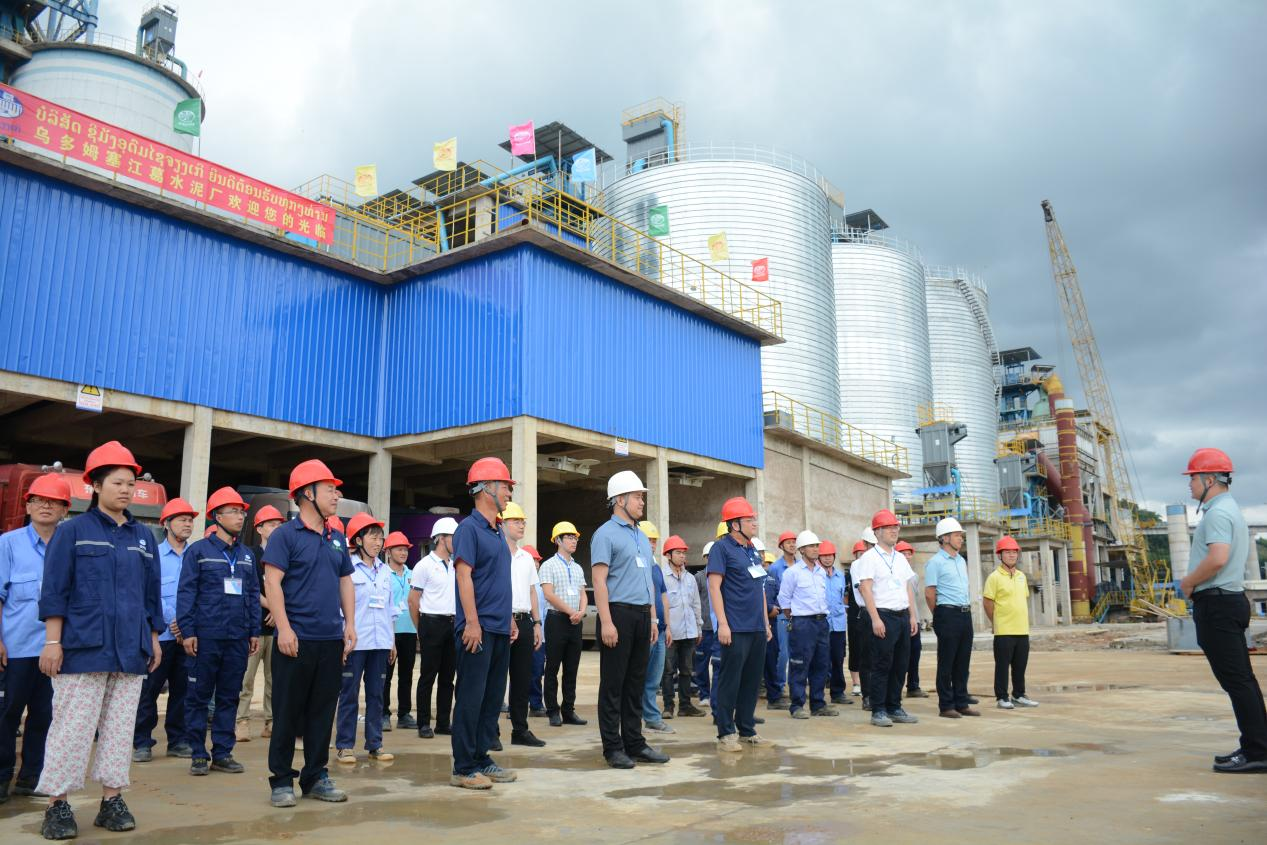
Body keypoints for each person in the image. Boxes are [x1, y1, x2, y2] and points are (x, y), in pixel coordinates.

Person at [36, 441, 163, 838]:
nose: (126, 490)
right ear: (95, 485)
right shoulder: (72, 532)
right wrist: (52, 642)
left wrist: (153, 638)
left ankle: (112, 799)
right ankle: (58, 804)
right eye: (117, 483)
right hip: (83, 648)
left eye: (130, 484)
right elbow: (55, 590)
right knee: (71, 728)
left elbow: (151, 595)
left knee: (119, 730)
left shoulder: (143, 537)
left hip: (130, 649)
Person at [263, 459, 357, 808]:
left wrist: (350, 624)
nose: (337, 495)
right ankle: (281, 780)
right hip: (296, 640)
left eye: (336, 490)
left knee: (322, 712)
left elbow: (345, 581)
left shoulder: (337, 537)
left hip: (330, 640)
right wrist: (284, 628)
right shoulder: (285, 536)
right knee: (287, 712)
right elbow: (272, 583)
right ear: (307, 494)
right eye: (329, 489)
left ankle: (316, 776)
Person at [1176, 448, 1266, 774]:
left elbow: (1217, 558)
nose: (1189, 485)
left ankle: (1258, 752)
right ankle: (1255, 746)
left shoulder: (1217, 514)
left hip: (1218, 603)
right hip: (1227, 601)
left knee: (1238, 682)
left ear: (1210, 479)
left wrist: (1188, 582)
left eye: (1193, 478)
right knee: (1241, 680)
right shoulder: (1229, 509)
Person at [177, 487, 261, 777]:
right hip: (206, 636)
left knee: (229, 696)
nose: (240, 517)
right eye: (233, 511)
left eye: (242, 512)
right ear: (217, 516)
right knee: (198, 697)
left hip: (237, 637)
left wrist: (253, 631)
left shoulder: (246, 555)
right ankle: (198, 754)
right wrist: (188, 631)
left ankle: (223, 753)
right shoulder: (199, 552)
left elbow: (252, 594)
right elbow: (186, 593)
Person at [591, 470, 669, 770]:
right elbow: (599, 581)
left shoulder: (640, 536)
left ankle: (635, 743)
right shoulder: (605, 534)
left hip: (642, 616)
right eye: (637, 497)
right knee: (614, 684)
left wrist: (653, 619)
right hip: (618, 614)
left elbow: (648, 581)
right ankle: (613, 748)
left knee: (636, 683)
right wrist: (606, 622)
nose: (641, 502)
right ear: (620, 500)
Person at [0, 473, 71, 803]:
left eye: (54, 502)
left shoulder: (70, 546)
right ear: (27, 506)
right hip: (15, 649)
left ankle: (32, 776)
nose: (45, 506)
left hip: (56, 651)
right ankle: (2, 776)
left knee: (45, 716)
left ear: (65, 510)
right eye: (38, 500)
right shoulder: (8, 544)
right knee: (6, 715)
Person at [450, 457, 518, 789]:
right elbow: (464, 577)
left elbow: (498, 579)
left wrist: (509, 618)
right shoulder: (468, 529)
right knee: (471, 698)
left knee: (491, 700)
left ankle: (481, 759)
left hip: (499, 627)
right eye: (505, 486)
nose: (508, 492)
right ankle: (463, 768)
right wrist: (472, 623)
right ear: (486, 488)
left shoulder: (498, 531)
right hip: (477, 629)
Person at [130, 497, 196, 764]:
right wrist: (173, 620)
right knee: (149, 690)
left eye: (190, 520)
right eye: (182, 520)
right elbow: (149, 592)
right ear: (166, 524)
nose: (187, 524)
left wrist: (187, 623)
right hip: (160, 636)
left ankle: (178, 741)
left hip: (189, 637)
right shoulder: (153, 555)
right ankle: (142, 741)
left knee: (183, 691)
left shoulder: (196, 556)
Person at [708, 497, 772, 752]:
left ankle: (747, 729)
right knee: (730, 681)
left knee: (751, 681)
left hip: (757, 627)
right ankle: (726, 733)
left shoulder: (752, 550)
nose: (754, 523)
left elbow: (761, 589)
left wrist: (765, 623)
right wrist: (723, 624)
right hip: (735, 627)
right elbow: (714, 587)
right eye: (749, 520)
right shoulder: (721, 549)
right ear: (735, 524)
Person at [334, 513, 396, 764]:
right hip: (355, 643)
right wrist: (342, 640)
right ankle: (345, 745)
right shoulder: (347, 570)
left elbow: (390, 608)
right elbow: (340, 608)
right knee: (349, 694)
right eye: (373, 537)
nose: (378, 543)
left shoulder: (385, 571)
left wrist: (392, 641)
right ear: (358, 540)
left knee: (377, 695)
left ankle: (375, 744)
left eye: (380, 538)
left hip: (380, 642)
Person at [854, 509, 919, 728]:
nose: (894, 531)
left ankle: (894, 706)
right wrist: (875, 619)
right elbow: (865, 588)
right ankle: (879, 710)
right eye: (888, 528)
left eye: (895, 527)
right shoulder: (869, 558)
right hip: (883, 615)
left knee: (901, 664)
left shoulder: (900, 558)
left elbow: (907, 587)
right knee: (882, 665)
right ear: (877, 532)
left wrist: (912, 616)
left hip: (902, 617)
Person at [236, 505, 285, 743]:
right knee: (246, 677)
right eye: (271, 524)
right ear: (259, 529)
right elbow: (249, 588)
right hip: (254, 627)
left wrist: (279, 612)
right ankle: (241, 721)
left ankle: (271, 720)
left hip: (277, 628)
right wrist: (274, 607)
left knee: (274, 678)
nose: (276, 528)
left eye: (279, 525)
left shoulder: (286, 555)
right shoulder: (250, 555)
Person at [924, 517, 979, 719]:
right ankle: (946, 705)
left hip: (965, 614)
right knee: (946, 663)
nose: (961, 539)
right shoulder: (935, 563)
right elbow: (930, 594)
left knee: (962, 662)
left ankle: (961, 702)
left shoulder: (961, 560)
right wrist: (939, 616)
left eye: (961, 536)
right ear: (945, 538)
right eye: (957, 535)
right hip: (947, 614)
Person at [777, 531, 835, 719]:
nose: (816, 549)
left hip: (821, 622)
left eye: (817, 546)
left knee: (821, 664)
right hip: (802, 623)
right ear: (802, 550)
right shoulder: (792, 573)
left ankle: (818, 704)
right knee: (799, 664)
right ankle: (797, 705)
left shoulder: (821, 572)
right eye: (811, 546)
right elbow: (784, 600)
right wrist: (796, 618)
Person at [409, 517, 458, 739]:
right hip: (431, 622)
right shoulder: (424, 565)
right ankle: (423, 723)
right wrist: (421, 629)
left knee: (448, 677)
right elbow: (413, 601)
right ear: (441, 538)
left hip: (452, 623)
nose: (456, 542)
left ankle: (443, 723)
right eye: (453, 537)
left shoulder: (456, 565)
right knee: (428, 676)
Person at [501, 502, 545, 748]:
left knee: (522, 679)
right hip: (500, 622)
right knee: (497, 679)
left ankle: (520, 729)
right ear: (503, 524)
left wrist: (537, 623)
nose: (521, 525)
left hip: (525, 621)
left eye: (523, 522)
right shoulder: (496, 552)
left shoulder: (527, 557)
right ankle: (490, 731)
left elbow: (532, 592)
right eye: (516, 521)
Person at [539, 521, 589, 727]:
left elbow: (583, 594)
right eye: (569, 537)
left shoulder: (577, 568)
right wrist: (571, 612)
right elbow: (548, 594)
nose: (574, 541)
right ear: (558, 540)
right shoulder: (548, 565)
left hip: (575, 622)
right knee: (552, 667)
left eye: (575, 537)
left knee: (571, 668)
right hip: (557, 620)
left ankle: (569, 710)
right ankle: (553, 710)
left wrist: (581, 612)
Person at [984, 536, 1038, 711]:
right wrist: (995, 622)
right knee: (1002, 666)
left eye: (1014, 552)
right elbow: (988, 602)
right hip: (1004, 630)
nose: (1012, 555)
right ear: (1000, 555)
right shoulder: (994, 577)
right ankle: (1002, 697)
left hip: (1022, 629)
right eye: (1007, 552)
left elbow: (1022, 599)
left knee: (1020, 666)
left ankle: (1019, 695)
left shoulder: (1021, 576)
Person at [660, 535, 705, 719]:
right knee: (668, 671)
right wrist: (665, 629)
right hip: (671, 633)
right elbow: (660, 606)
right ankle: (668, 707)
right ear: (668, 555)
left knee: (687, 670)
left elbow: (696, 605)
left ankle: (685, 706)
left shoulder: (690, 578)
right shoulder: (662, 577)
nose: (682, 556)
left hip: (689, 632)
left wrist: (699, 628)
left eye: (683, 553)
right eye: (678, 552)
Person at [639, 521, 673, 735]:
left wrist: (667, 627)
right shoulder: (637, 565)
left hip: (659, 631)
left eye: (654, 541)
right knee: (638, 676)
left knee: (653, 679)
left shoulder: (655, 567)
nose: (652, 544)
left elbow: (663, 597)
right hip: (644, 628)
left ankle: (651, 718)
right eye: (649, 540)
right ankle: (634, 718)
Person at [382, 531, 417, 731]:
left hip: (410, 630)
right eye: (399, 549)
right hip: (389, 632)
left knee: (406, 674)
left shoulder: (413, 575)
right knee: (385, 675)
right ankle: (383, 713)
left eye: (405, 549)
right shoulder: (383, 574)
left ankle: (404, 714)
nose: (403, 553)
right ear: (388, 551)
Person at [896, 540, 929, 699]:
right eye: (903, 553)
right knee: (899, 655)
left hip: (913, 619)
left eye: (908, 554)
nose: (907, 556)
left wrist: (914, 618)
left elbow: (912, 598)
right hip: (899, 619)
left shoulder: (914, 576)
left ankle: (913, 686)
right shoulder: (894, 574)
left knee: (915, 653)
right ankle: (895, 688)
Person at [767, 530, 796, 704]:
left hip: (799, 616)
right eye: (788, 542)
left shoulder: (801, 565)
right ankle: (779, 686)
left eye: (794, 542)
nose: (792, 545)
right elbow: (771, 593)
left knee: (797, 654)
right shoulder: (775, 568)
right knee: (782, 653)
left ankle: (795, 686)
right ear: (781, 546)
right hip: (782, 616)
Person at [821, 541, 851, 706]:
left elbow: (843, 597)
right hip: (822, 623)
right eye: (824, 556)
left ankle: (838, 692)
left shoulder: (840, 576)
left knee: (838, 659)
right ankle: (817, 694)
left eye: (830, 556)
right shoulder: (817, 575)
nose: (827, 559)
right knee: (821, 660)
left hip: (838, 623)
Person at [692, 543, 716, 705]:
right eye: (709, 556)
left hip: (719, 627)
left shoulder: (723, 575)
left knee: (720, 663)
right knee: (701, 663)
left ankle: (717, 695)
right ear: (705, 558)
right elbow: (694, 602)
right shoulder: (699, 577)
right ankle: (704, 694)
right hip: (704, 628)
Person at [846, 540, 869, 699]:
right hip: (855, 613)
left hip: (870, 611)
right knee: (855, 647)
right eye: (860, 554)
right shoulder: (850, 572)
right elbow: (846, 596)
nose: (862, 556)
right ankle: (856, 683)